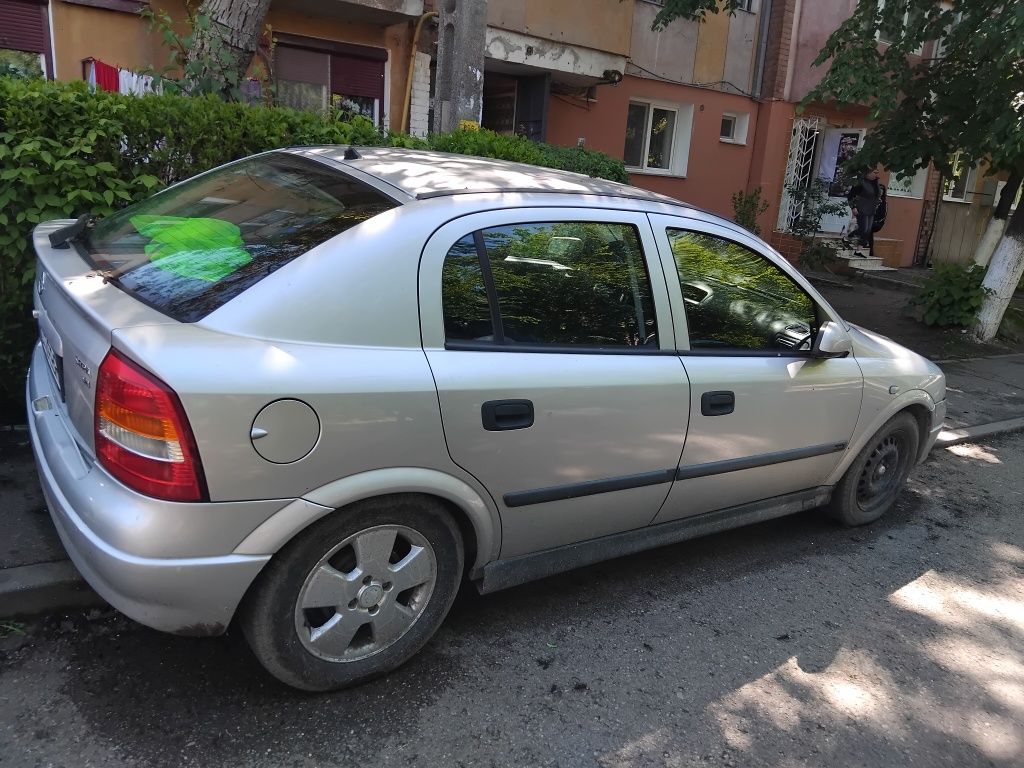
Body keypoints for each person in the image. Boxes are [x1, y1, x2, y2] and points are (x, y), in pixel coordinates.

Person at [846, 168, 882, 257]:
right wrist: (853, 207)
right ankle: (847, 237)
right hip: (861, 208)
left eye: (877, 173)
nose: (876, 175)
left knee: (868, 231)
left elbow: (877, 196)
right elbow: (850, 196)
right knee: (864, 229)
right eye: (874, 172)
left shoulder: (875, 184)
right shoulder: (861, 183)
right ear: (868, 173)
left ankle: (858, 251)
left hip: (871, 209)